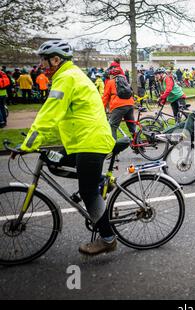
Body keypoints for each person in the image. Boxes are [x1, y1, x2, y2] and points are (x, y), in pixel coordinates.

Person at [20, 40, 117, 255]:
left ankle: (108, 239)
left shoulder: (66, 77)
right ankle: (100, 180)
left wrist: (28, 144)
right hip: (83, 140)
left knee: (87, 191)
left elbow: (50, 113)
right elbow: (60, 119)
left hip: (91, 141)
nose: (41, 65)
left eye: (44, 61)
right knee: (54, 160)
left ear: (56, 59)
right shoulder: (68, 75)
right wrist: (40, 141)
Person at [102, 68, 136, 139]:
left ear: (112, 75)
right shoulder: (125, 81)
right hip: (130, 104)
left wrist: (102, 108)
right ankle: (138, 144)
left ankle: (113, 146)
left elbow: (105, 97)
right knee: (131, 125)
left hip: (118, 106)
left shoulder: (110, 82)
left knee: (113, 126)